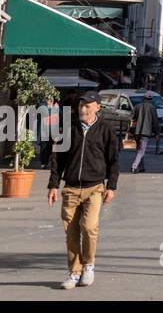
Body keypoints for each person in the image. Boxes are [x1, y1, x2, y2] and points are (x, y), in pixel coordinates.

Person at [47, 93, 119, 290]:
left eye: (87, 106)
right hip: (70, 188)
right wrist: (53, 185)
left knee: (88, 227)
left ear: (97, 107)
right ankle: (74, 272)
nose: (82, 109)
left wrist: (111, 186)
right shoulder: (69, 129)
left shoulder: (106, 129)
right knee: (71, 233)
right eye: (81, 105)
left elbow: (113, 160)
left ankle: (88, 265)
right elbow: (58, 159)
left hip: (94, 187)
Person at [129, 92, 159, 173]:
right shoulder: (152, 108)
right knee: (141, 151)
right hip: (146, 132)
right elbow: (155, 121)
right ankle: (134, 167)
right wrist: (157, 133)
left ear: (143, 98)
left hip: (136, 131)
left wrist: (130, 131)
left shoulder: (137, 106)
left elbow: (131, 119)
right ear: (151, 99)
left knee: (139, 150)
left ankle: (141, 167)